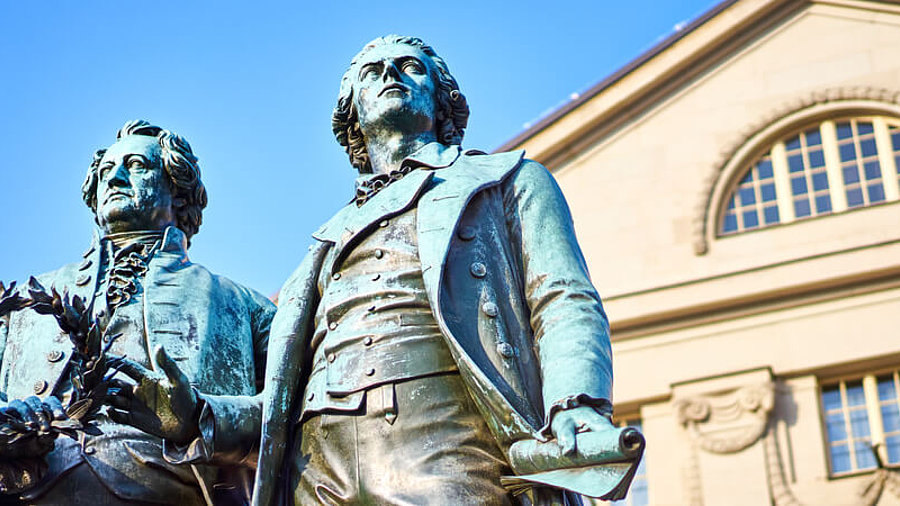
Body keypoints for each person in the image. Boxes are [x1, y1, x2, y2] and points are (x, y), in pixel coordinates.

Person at [124, 36, 620, 505]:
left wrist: (575, 401)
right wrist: (198, 414)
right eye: (370, 73)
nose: (389, 73)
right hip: (316, 462)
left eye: (409, 66)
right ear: (353, 117)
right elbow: (277, 402)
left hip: (445, 439)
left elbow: (562, 297)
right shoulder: (321, 244)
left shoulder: (507, 181)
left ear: (441, 98)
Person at [0, 120, 275, 505]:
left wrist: (200, 417)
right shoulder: (25, 303)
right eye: (106, 172)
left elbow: (290, 413)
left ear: (177, 193)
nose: (115, 179)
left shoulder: (242, 305)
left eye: (136, 166)